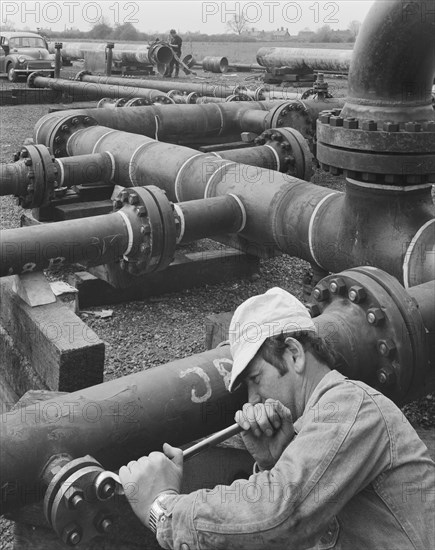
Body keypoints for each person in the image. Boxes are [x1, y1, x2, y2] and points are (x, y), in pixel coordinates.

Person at [119, 288, 435, 549]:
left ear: (294, 353)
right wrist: (278, 458)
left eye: (256, 379)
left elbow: (283, 513)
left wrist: (164, 509)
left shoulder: (350, 406)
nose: (253, 400)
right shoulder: (320, 422)